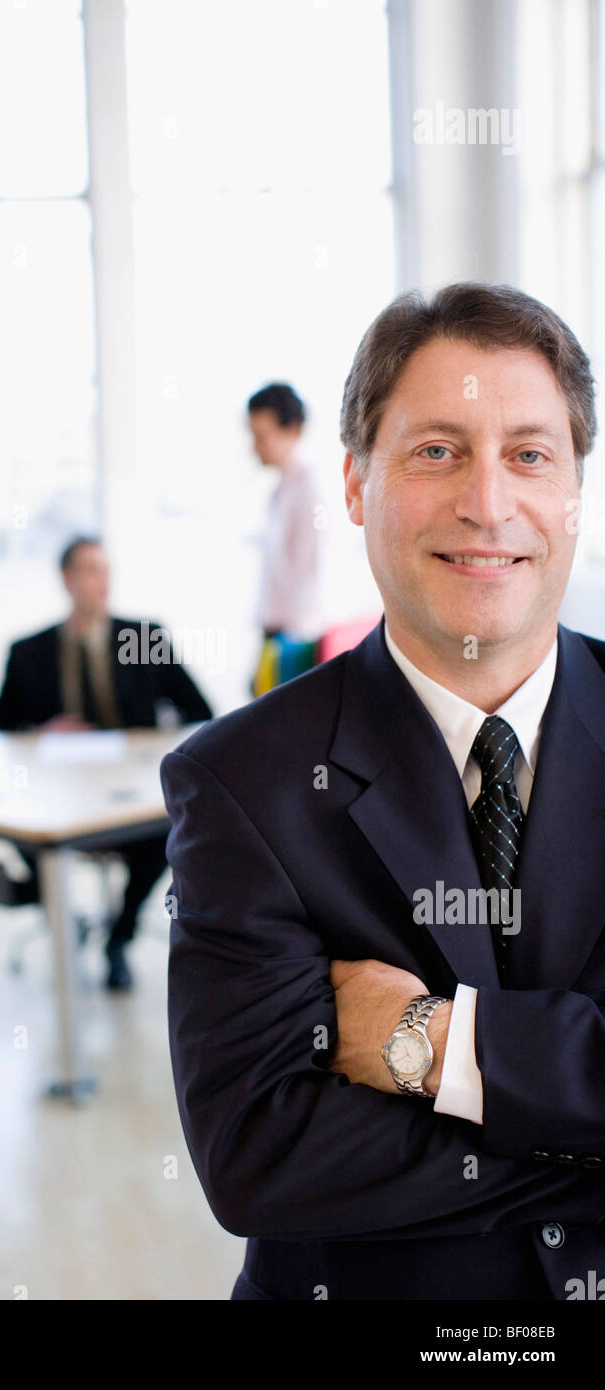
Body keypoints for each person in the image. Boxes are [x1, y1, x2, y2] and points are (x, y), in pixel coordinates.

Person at [161, 282, 605, 1301]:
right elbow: (260, 1154)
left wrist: (436, 1046)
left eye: (529, 455)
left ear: (575, 488)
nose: (486, 503)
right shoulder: (241, 781)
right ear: (356, 483)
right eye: (436, 451)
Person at [0, 536, 212, 990]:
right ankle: (61, 918)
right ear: (67, 579)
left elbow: (199, 711)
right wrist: (41, 731)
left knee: (165, 828)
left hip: (128, 788)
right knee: (18, 826)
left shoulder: (143, 638)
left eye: (106, 570)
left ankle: (120, 935)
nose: (102, 581)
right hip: (59, 792)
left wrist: (146, 738)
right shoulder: (29, 652)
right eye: (91, 570)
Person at [247, 382, 324, 695]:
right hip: (275, 635)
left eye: (261, 437)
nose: (255, 447)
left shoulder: (308, 494)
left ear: (292, 430)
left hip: (293, 639)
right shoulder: (281, 491)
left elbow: (306, 574)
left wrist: (287, 648)